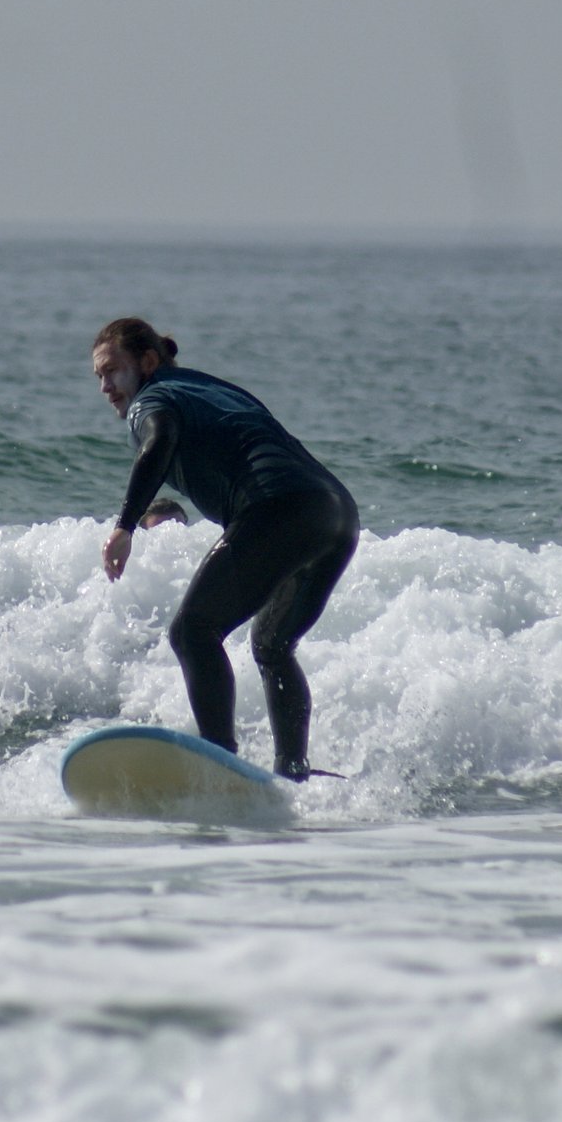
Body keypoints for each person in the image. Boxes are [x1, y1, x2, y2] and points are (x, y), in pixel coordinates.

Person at [91, 317, 359, 781]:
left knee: (192, 633)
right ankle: (291, 771)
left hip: (277, 506)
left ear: (148, 362)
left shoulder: (151, 400)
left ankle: (219, 764)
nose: (105, 386)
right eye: (98, 376)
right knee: (272, 645)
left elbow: (160, 440)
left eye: (113, 371)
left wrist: (125, 526)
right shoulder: (207, 388)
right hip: (335, 514)